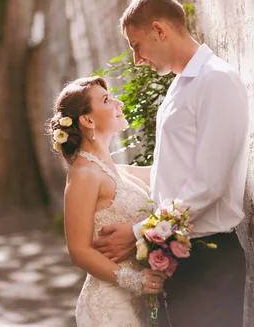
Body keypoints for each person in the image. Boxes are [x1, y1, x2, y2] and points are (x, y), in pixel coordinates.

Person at [93, 0, 250, 327]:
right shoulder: (180, 86)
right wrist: (110, 173)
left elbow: (207, 186)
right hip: (177, 256)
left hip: (208, 261)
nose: (136, 59)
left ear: (159, 30)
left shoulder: (216, 81)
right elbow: (173, 171)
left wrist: (138, 232)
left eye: (136, 45)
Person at [49, 76, 167, 326]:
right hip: (112, 306)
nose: (118, 103)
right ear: (88, 120)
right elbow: (78, 251)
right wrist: (137, 281)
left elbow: (168, 172)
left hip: (141, 301)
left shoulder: (118, 172)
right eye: (106, 99)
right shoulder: (83, 174)